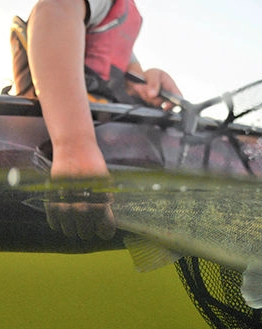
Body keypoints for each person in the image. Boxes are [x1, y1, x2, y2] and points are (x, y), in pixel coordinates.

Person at [25, 0, 182, 240]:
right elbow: (54, 9)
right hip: (57, 151)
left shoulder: (121, 19)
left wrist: (151, 80)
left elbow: (130, 80)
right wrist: (74, 144)